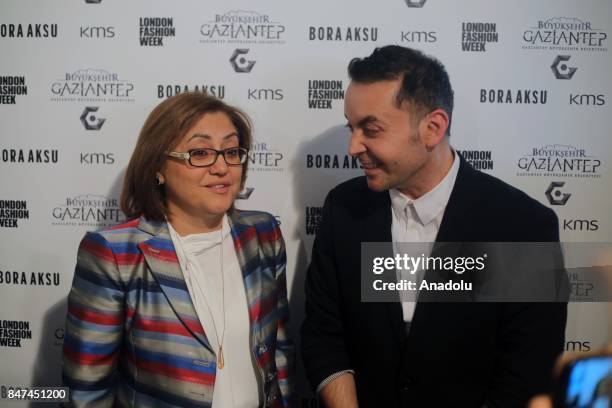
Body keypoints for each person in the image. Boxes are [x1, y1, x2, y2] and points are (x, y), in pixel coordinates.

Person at [300, 45, 567, 407]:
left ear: (433, 128)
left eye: (371, 129)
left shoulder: (523, 226)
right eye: (352, 127)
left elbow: (527, 369)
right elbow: (323, 337)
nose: (352, 146)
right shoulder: (343, 210)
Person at [63, 92, 293, 407]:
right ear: (158, 166)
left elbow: (278, 349)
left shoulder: (263, 233)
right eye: (200, 153)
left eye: (231, 150)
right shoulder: (114, 254)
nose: (221, 167)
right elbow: (85, 390)